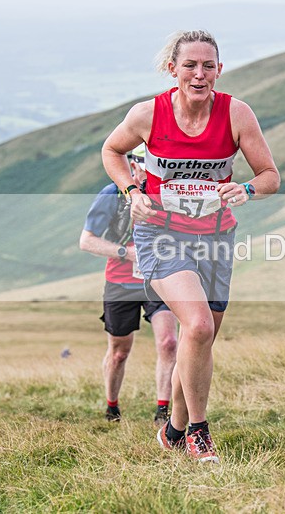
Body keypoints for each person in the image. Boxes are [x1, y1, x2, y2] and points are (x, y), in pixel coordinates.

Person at [102, 30, 280, 463]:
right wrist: (132, 191)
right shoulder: (148, 114)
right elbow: (112, 150)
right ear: (173, 69)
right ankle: (200, 432)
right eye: (190, 65)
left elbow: (270, 175)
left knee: (201, 339)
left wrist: (248, 190)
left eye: (208, 66)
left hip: (216, 236)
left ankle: (175, 430)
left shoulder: (237, 114)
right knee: (197, 326)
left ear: (219, 69)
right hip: (161, 233)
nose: (199, 75)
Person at [80, 145, 178, 426]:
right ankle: (112, 406)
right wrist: (127, 253)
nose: (150, 174)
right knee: (120, 351)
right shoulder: (111, 195)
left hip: (159, 277)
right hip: (121, 281)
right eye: (145, 167)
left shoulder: (168, 194)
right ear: (132, 166)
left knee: (169, 342)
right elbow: (87, 241)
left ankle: (163, 412)